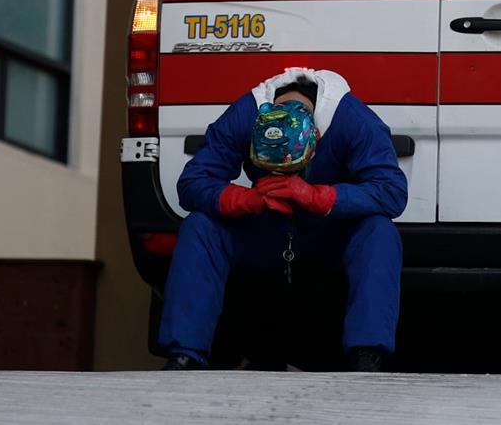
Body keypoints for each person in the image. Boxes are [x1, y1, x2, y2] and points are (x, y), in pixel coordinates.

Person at [159, 68, 408, 371]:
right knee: (200, 226)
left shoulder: (353, 119)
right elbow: (192, 182)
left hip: (327, 235)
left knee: (380, 232)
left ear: (315, 137)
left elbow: (392, 192)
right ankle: (183, 355)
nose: (282, 175)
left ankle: (366, 355)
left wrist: (320, 196)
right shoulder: (245, 114)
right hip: (265, 227)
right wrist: (242, 199)